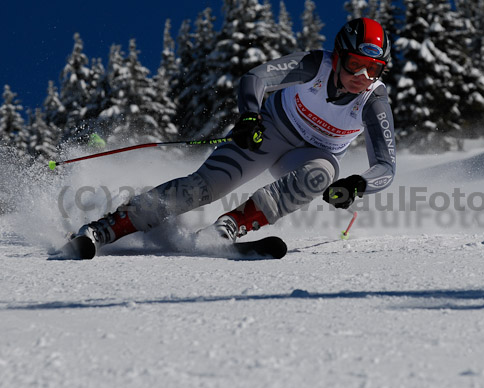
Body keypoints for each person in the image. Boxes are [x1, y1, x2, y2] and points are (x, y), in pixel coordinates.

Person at [71, 17, 396, 251]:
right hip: (270, 131)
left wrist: (358, 184)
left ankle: (226, 229)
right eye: (355, 64)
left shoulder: (374, 101)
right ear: (338, 57)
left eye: (374, 69)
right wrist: (250, 117)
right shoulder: (315, 65)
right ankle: (105, 228)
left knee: (322, 174)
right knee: (204, 188)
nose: (363, 76)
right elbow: (256, 78)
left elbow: (386, 166)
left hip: (309, 156)